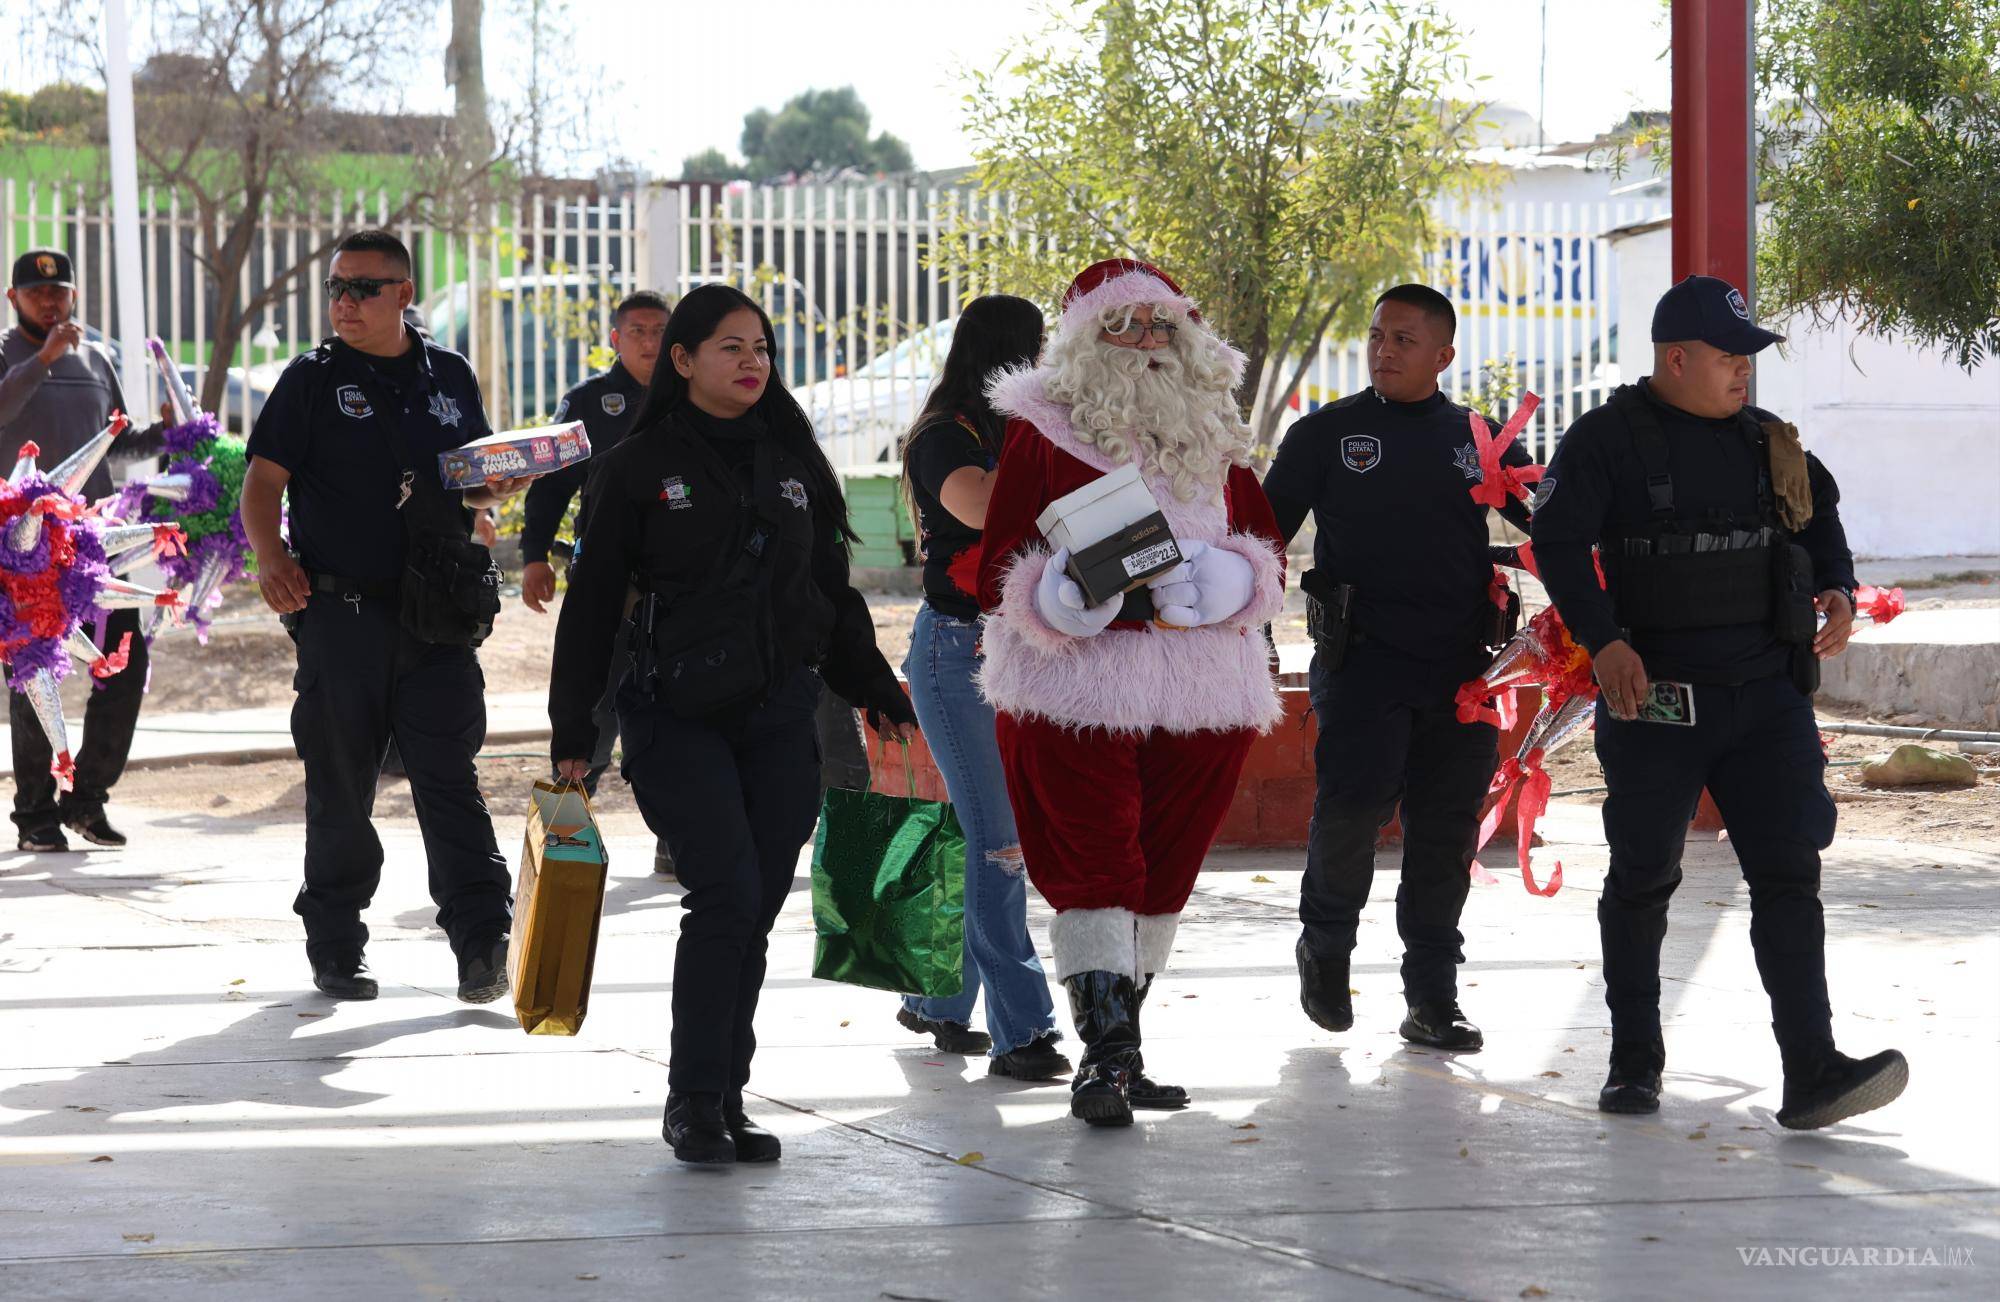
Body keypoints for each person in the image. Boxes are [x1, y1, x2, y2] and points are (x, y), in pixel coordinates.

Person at [549, 283, 916, 1165]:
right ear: (680, 360)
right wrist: (574, 733)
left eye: (761, 347)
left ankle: (725, 1092)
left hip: (780, 712)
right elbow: (592, 604)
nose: (753, 361)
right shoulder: (635, 468)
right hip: (671, 713)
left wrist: (873, 686)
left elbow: (828, 591)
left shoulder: (790, 459)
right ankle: (693, 1101)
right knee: (723, 890)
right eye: (729, 346)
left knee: (750, 908)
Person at [1531, 274, 1906, 1129]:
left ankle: (1812, 1070)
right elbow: (1554, 541)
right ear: (1675, 357)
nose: (1744, 372)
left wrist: (1842, 591)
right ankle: (1634, 1064)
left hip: (1767, 699)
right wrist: (1605, 639)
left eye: (1749, 358)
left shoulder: (1769, 443)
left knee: (1789, 875)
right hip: (1657, 702)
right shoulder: (1606, 440)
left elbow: (1820, 529)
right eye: (1729, 357)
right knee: (1642, 880)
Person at [976, 259, 1287, 1127]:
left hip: (1201, 693)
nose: (1147, 344)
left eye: (1161, 326)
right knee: (1097, 865)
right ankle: (1104, 1060)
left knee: (1163, 868)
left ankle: (1125, 1050)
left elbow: (1264, 544)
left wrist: (1239, 578)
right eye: (1125, 326)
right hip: (1079, 689)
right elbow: (992, 562)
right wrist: (1059, 597)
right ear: (1084, 340)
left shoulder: (1211, 431)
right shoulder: (1044, 433)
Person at [241, 229, 532, 1004]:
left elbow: (471, 477)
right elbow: (262, 482)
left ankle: (482, 941)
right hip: (342, 615)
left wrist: (487, 500)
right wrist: (272, 559)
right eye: (336, 286)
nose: (344, 301)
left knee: (449, 780)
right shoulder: (311, 380)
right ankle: (337, 946)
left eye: (363, 288)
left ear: (404, 294)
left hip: (435, 617)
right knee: (341, 787)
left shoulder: (450, 375)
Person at [1261, 284, 1539, 1053]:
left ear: (1444, 356)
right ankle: (1325, 949)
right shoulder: (1327, 434)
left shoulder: (1478, 436)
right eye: (1378, 335)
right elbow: (1260, 536)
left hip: (1462, 671)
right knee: (1352, 815)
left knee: (1445, 834)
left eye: (1405, 340)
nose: (1385, 349)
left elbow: (1549, 517)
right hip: (1363, 664)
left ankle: (1432, 998)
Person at [890, 293, 1069, 1080]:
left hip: (1028, 649)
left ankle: (935, 999)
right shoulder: (946, 436)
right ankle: (1023, 1030)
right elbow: (992, 506)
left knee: (984, 835)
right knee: (1000, 844)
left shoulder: (1025, 431)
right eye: (1038, 349)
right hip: (957, 652)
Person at [0, 247, 166, 853]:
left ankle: (86, 800)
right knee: (34, 678)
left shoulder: (96, 359)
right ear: (13, 298)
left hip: (93, 547)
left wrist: (167, 433)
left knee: (124, 663)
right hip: (24, 551)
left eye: (60, 291)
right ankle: (36, 815)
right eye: (37, 292)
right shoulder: (6, 354)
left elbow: (112, 445)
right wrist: (42, 360)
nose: (51, 300)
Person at [519, 289, 677, 875]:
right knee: (592, 712)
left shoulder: (692, 397)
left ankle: (677, 838)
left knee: (674, 714)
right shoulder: (589, 402)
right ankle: (561, 846)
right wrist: (535, 555)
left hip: (679, 583)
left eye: (660, 329)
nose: (649, 341)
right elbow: (550, 486)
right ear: (614, 338)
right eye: (636, 330)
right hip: (606, 585)